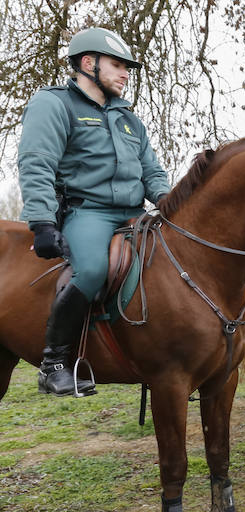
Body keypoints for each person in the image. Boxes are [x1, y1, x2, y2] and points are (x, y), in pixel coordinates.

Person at [18, 27, 170, 397]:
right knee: (92, 270)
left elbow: (151, 171)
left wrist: (170, 202)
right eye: (117, 65)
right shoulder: (54, 104)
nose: (125, 74)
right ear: (89, 63)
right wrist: (41, 221)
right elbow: (36, 162)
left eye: (127, 68)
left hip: (136, 213)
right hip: (89, 213)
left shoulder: (129, 119)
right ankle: (54, 362)